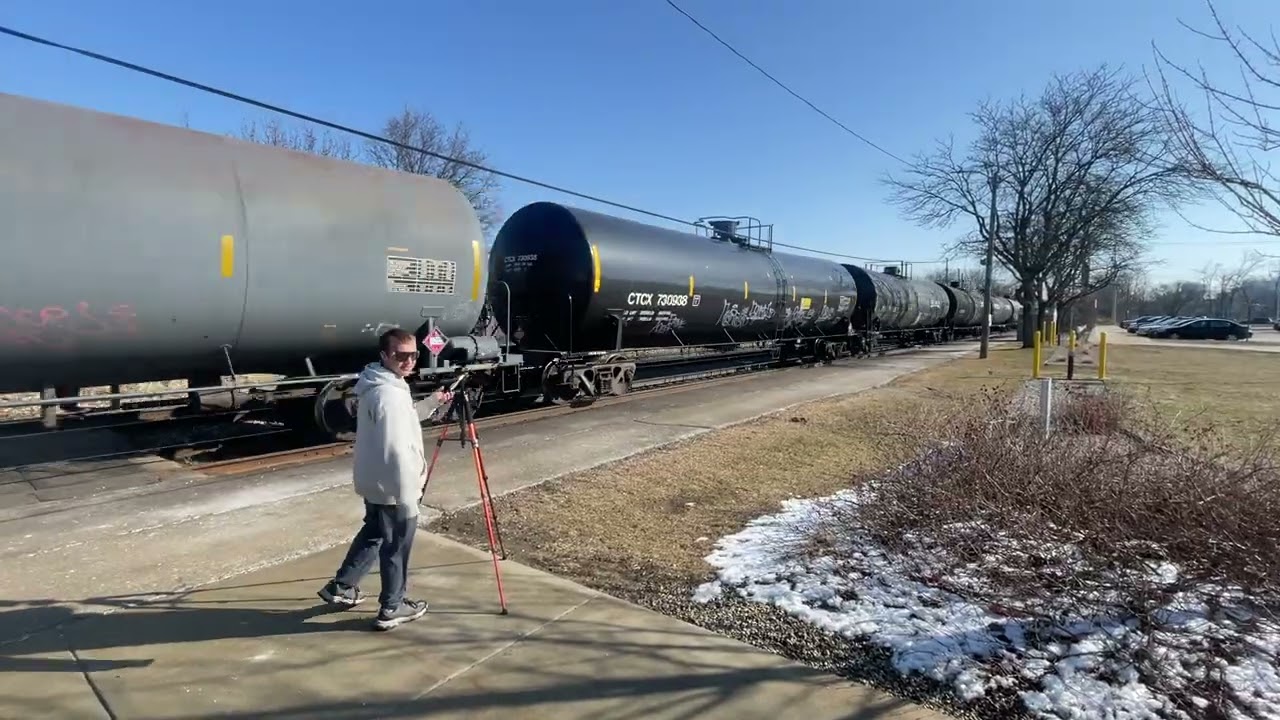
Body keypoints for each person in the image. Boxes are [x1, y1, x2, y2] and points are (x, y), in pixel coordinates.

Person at [317, 327, 453, 631]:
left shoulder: (379, 382)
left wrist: (432, 402)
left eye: (413, 355)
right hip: (394, 485)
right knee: (397, 546)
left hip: (375, 480)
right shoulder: (389, 394)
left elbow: (402, 419)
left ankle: (341, 587)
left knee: (375, 533)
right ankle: (393, 606)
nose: (408, 361)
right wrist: (407, 499)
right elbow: (397, 449)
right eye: (400, 355)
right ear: (384, 354)